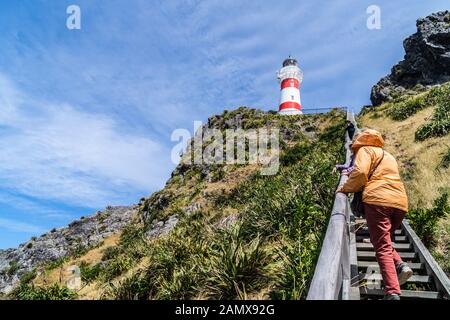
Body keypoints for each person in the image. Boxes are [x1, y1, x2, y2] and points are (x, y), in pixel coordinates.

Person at [336, 129, 413, 300]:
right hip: (400, 202)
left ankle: (392, 292)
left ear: (361, 140)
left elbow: (361, 173)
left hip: (378, 200)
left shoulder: (365, 150)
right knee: (382, 239)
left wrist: (345, 188)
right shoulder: (387, 154)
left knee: (382, 246)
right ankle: (400, 265)